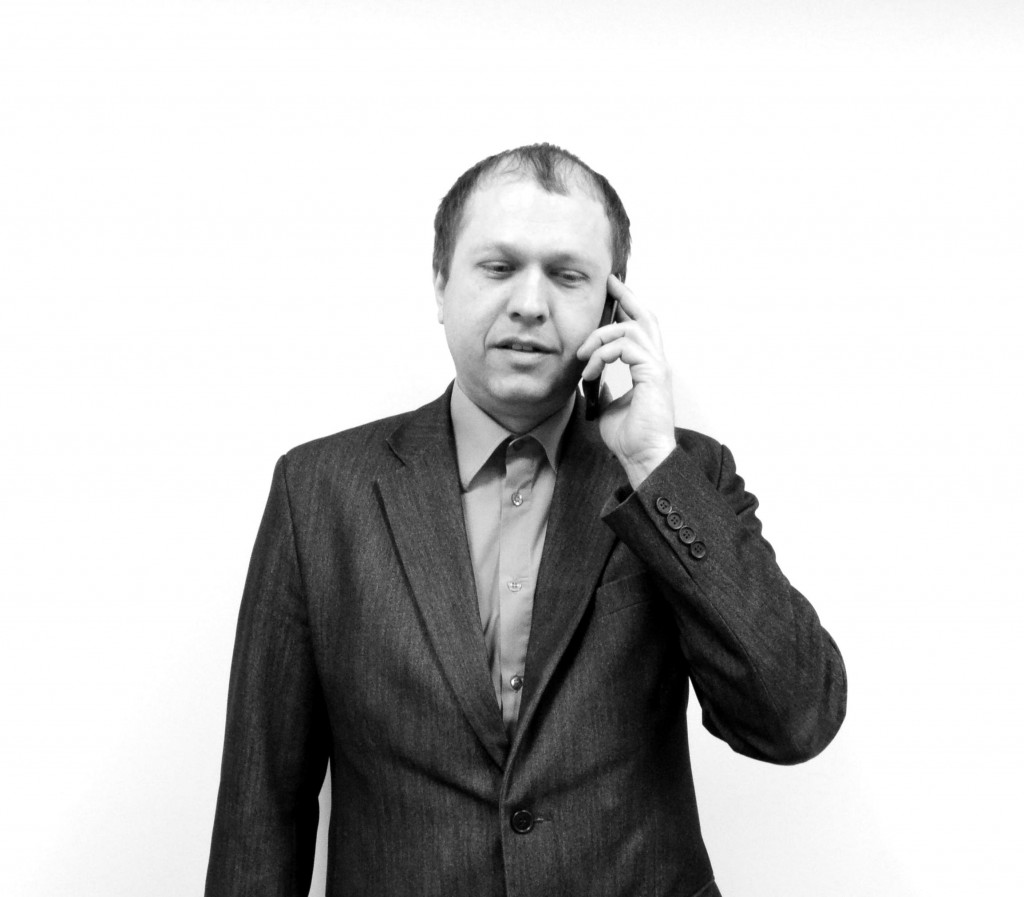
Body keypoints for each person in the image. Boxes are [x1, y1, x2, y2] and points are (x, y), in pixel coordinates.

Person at [205, 143, 847, 897]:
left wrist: (651, 465)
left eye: (568, 275)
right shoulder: (318, 491)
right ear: (440, 284)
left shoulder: (682, 476)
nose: (531, 303)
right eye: (499, 266)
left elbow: (795, 719)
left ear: (612, 308)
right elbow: (261, 813)